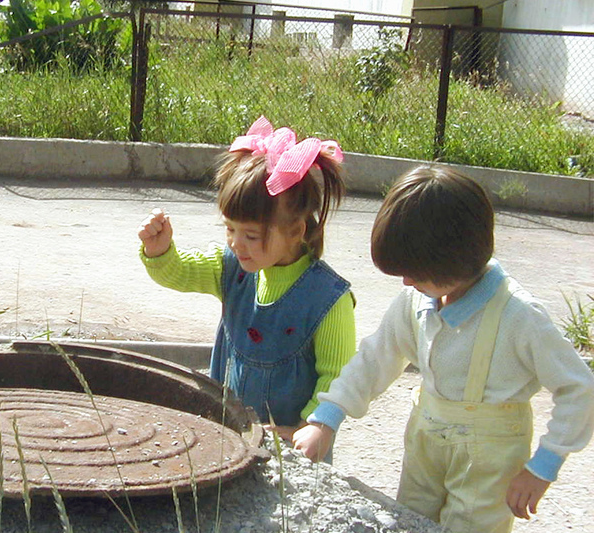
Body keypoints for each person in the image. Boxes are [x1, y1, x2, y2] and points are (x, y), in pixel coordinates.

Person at [288, 165, 594, 532]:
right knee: (409, 520)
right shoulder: (416, 299)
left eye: (415, 271)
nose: (406, 280)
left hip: (491, 462)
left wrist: (543, 466)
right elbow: (375, 357)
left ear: (456, 259)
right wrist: (327, 417)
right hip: (426, 444)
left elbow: (579, 387)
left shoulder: (520, 317)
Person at [137, 115, 356, 456]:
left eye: (251, 235)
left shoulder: (328, 300)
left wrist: (309, 427)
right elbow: (178, 273)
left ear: (296, 232)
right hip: (230, 439)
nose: (237, 244)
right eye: (230, 230)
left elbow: (338, 380)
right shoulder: (233, 268)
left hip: (293, 450)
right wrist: (160, 251)